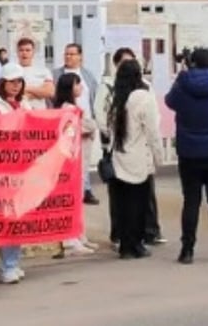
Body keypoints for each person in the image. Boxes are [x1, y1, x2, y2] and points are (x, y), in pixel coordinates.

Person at [165, 48, 208, 264]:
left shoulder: (183, 84)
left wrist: (182, 75)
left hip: (189, 150)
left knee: (191, 201)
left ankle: (187, 250)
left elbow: (169, 102)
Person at [96, 47, 165, 249]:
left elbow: (107, 126)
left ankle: (125, 244)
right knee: (140, 203)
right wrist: (158, 157)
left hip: (119, 156)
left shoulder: (116, 99)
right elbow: (152, 132)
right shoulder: (143, 98)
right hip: (138, 159)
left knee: (123, 204)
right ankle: (137, 244)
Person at [0, 63, 34, 283]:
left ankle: (13, 261)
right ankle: (8, 265)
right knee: (8, 217)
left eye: (19, 82)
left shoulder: (24, 104)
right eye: (11, 82)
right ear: (3, 83)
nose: (15, 86)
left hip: (22, 168)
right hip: (1, 170)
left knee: (18, 216)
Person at [52, 72, 97, 258]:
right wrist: (89, 125)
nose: (80, 88)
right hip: (72, 160)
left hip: (79, 159)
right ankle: (71, 240)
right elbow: (82, 128)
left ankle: (79, 235)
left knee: (78, 197)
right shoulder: (68, 109)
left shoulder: (72, 107)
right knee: (73, 198)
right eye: (77, 84)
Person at [54, 43, 101, 205]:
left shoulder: (88, 76)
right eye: (66, 54)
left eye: (72, 54)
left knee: (85, 161)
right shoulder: (57, 75)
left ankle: (86, 189)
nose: (68, 57)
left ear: (80, 56)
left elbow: (95, 98)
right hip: (71, 125)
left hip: (86, 121)